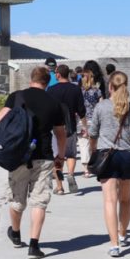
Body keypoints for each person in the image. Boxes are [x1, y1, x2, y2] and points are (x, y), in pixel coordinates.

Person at [0, 66, 67, 259]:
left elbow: (0, 117)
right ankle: (34, 246)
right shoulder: (54, 103)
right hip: (43, 155)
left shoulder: (17, 96)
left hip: (18, 155)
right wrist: (60, 156)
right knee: (40, 201)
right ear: (47, 82)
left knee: (17, 199)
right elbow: (61, 134)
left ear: (31, 79)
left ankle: (16, 234)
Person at [88, 71, 130, 257]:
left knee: (110, 200)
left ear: (110, 86)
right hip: (129, 158)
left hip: (107, 156)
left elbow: (93, 133)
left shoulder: (101, 107)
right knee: (126, 198)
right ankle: (123, 234)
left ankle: (114, 244)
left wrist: (93, 151)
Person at [47, 64, 87, 194]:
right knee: (71, 154)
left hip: (55, 127)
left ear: (58, 74)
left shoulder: (51, 90)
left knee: (57, 156)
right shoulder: (75, 89)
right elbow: (81, 110)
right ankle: (70, 174)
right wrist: (84, 126)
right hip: (70, 126)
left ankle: (59, 187)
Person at [80, 68, 102, 177]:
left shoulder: (79, 91)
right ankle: (94, 165)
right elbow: (101, 106)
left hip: (81, 119)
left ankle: (86, 170)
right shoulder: (97, 91)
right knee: (94, 144)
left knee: (84, 144)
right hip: (94, 120)